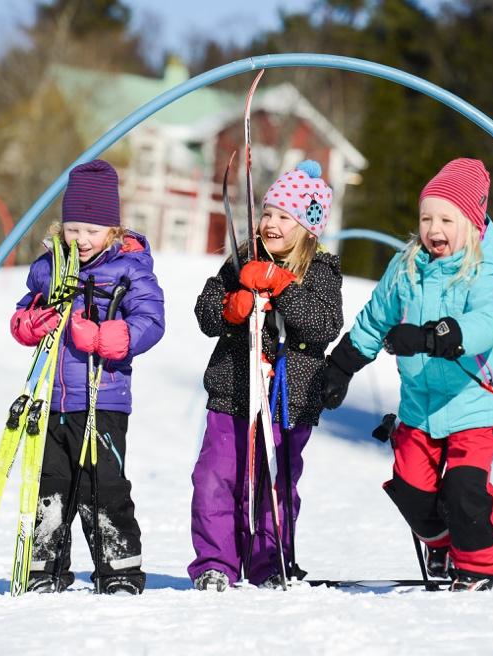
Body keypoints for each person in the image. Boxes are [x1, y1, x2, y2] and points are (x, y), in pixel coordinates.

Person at [322, 158, 493, 592]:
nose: (434, 228)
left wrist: (433, 337)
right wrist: (341, 366)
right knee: (411, 490)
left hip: (474, 402)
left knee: (464, 492)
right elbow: (375, 321)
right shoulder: (406, 267)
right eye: (426, 217)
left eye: (447, 218)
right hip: (419, 408)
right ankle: (442, 543)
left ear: (472, 223)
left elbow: (490, 320)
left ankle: (480, 564)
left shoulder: (482, 269)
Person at [9, 159, 165, 595]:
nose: (81, 240)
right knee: (51, 488)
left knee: (103, 486)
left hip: (104, 400)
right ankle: (45, 569)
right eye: (73, 228)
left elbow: (150, 321)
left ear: (113, 232)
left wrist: (106, 336)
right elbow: (24, 313)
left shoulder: (130, 269)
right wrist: (30, 322)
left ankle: (119, 570)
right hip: (54, 402)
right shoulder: (50, 268)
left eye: (92, 231)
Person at [188, 160, 344, 591]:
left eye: (284, 216)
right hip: (233, 393)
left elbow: (323, 325)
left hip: (287, 401)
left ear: (308, 227)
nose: (271, 222)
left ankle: (269, 561)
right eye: (268, 213)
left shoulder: (321, 271)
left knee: (275, 483)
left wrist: (281, 285)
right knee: (216, 478)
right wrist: (230, 307)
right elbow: (205, 312)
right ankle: (216, 562)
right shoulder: (242, 261)